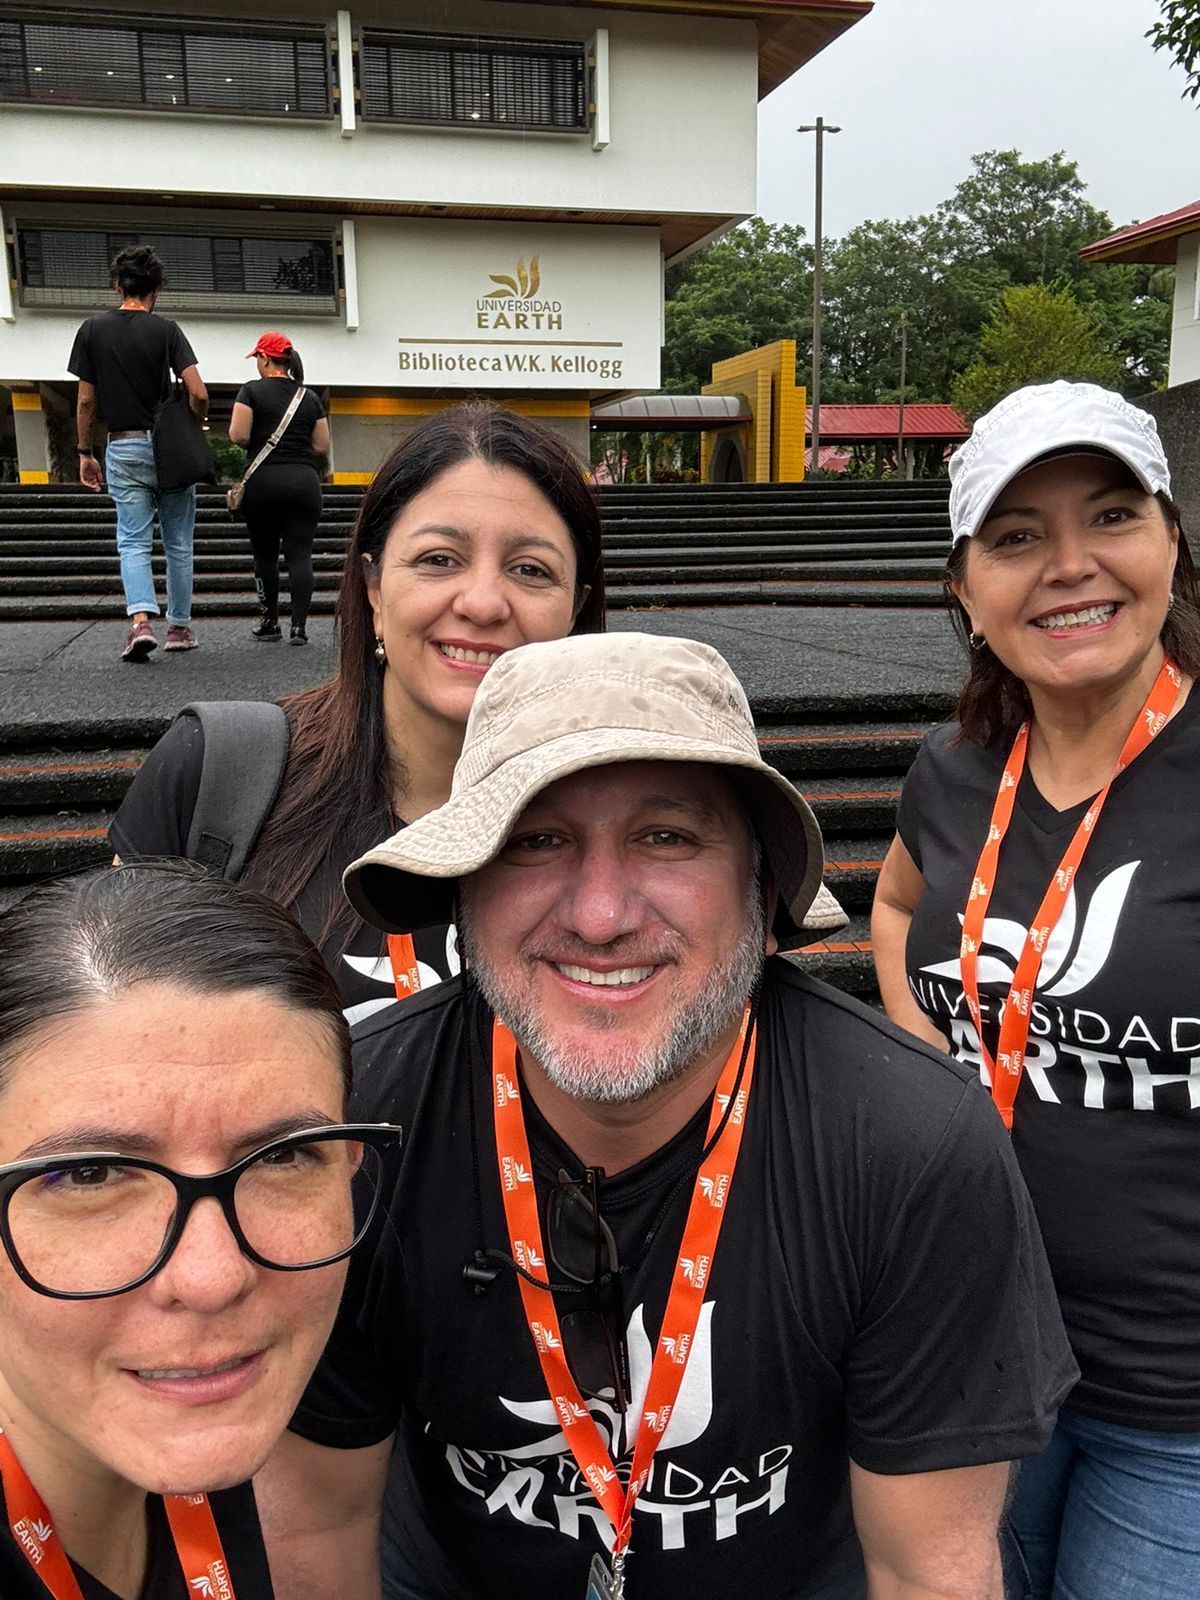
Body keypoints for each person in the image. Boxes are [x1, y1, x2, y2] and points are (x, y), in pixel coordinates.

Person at [256, 630, 1077, 1600]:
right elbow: (317, 1522)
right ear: (465, 889)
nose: (601, 914)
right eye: (536, 838)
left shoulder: (911, 1147)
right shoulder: (361, 1127)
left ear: (763, 891)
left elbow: (929, 1569)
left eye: (667, 836)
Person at [870, 381, 1200, 1600]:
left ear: (1172, 541)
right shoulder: (956, 773)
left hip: (1177, 1406)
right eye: (1016, 537)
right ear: (963, 585)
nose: (1070, 565)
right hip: (978, 1361)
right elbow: (898, 907)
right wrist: (925, 1059)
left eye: (1111, 516)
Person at [109, 403, 609, 1023]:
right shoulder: (217, 771)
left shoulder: (635, 824)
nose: (482, 603)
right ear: (372, 589)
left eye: (531, 570)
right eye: (438, 559)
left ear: (575, 610)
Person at [0, 861, 400, 1598]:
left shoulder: (179, 1439)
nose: (214, 1278)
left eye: (282, 1156)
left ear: (348, 1165)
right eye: (90, 1175)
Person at [68, 244, 208, 662]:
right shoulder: (167, 330)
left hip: (122, 445)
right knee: (179, 541)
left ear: (117, 286)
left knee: (132, 540)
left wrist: (84, 452)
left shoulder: (92, 330)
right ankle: (179, 628)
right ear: (156, 291)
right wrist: (193, 421)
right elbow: (198, 392)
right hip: (169, 449)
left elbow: (86, 401)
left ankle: (140, 623)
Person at [229, 331, 330, 646]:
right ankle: (298, 627)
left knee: (266, 554)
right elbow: (322, 445)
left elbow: (239, 435)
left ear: (263, 358)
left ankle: (270, 620)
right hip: (304, 482)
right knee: (300, 554)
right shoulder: (309, 397)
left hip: (264, 483)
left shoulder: (251, 391)